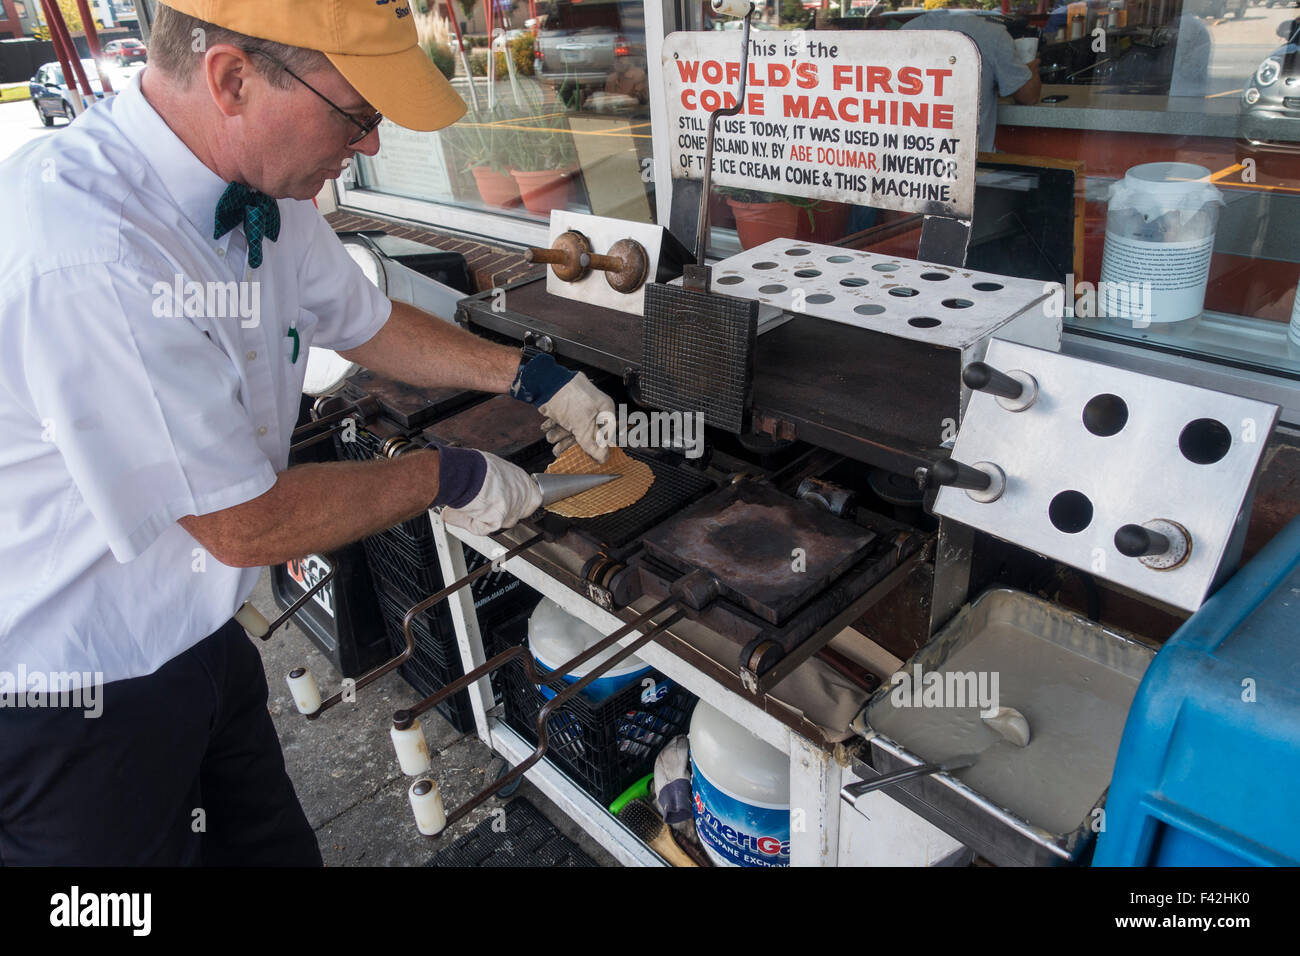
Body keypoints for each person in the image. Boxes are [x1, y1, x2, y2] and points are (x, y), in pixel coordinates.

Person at [0, 0, 613, 865]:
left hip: (199, 635)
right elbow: (242, 523)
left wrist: (525, 375)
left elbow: (359, 318)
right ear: (234, 78)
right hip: (74, 691)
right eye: (357, 115)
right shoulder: (92, 255)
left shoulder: (256, 183)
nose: (367, 148)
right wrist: (448, 476)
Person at [901, 0, 1042, 152]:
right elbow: (1029, 96)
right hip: (976, 167)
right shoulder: (993, 34)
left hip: (914, 166)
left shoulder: (905, 31)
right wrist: (1031, 67)